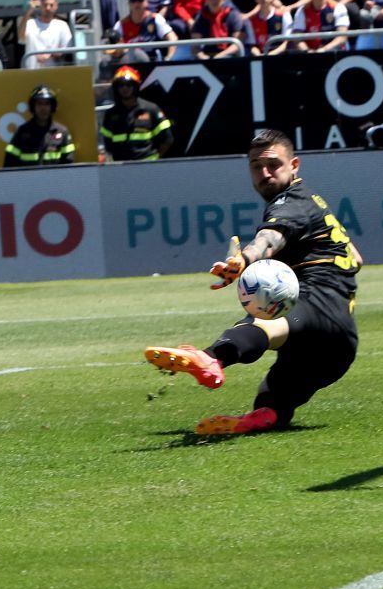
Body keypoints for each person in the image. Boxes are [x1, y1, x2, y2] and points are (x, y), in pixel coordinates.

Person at [144, 129, 364, 436]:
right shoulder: (313, 202)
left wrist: (245, 259)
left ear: (294, 165)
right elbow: (357, 258)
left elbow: (269, 239)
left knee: (267, 319)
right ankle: (266, 415)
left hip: (316, 307)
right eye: (256, 166)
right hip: (340, 344)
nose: (265, 173)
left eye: (273, 164)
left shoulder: (289, 201)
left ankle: (210, 357)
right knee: (273, 397)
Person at [99, 66, 175, 162]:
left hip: (147, 165)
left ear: (135, 87)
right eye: (121, 85)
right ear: (116, 88)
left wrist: (154, 161)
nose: (125, 88)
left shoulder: (151, 109)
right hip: (120, 167)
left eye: (129, 85)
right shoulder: (110, 114)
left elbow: (167, 139)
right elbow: (107, 145)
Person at [2, 86, 76, 166]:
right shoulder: (22, 133)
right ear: (33, 106)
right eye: (39, 104)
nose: (43, 108)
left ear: (52, 107)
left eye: (47, 104)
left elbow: (69, 163)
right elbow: (9, 164)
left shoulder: (62, 132)